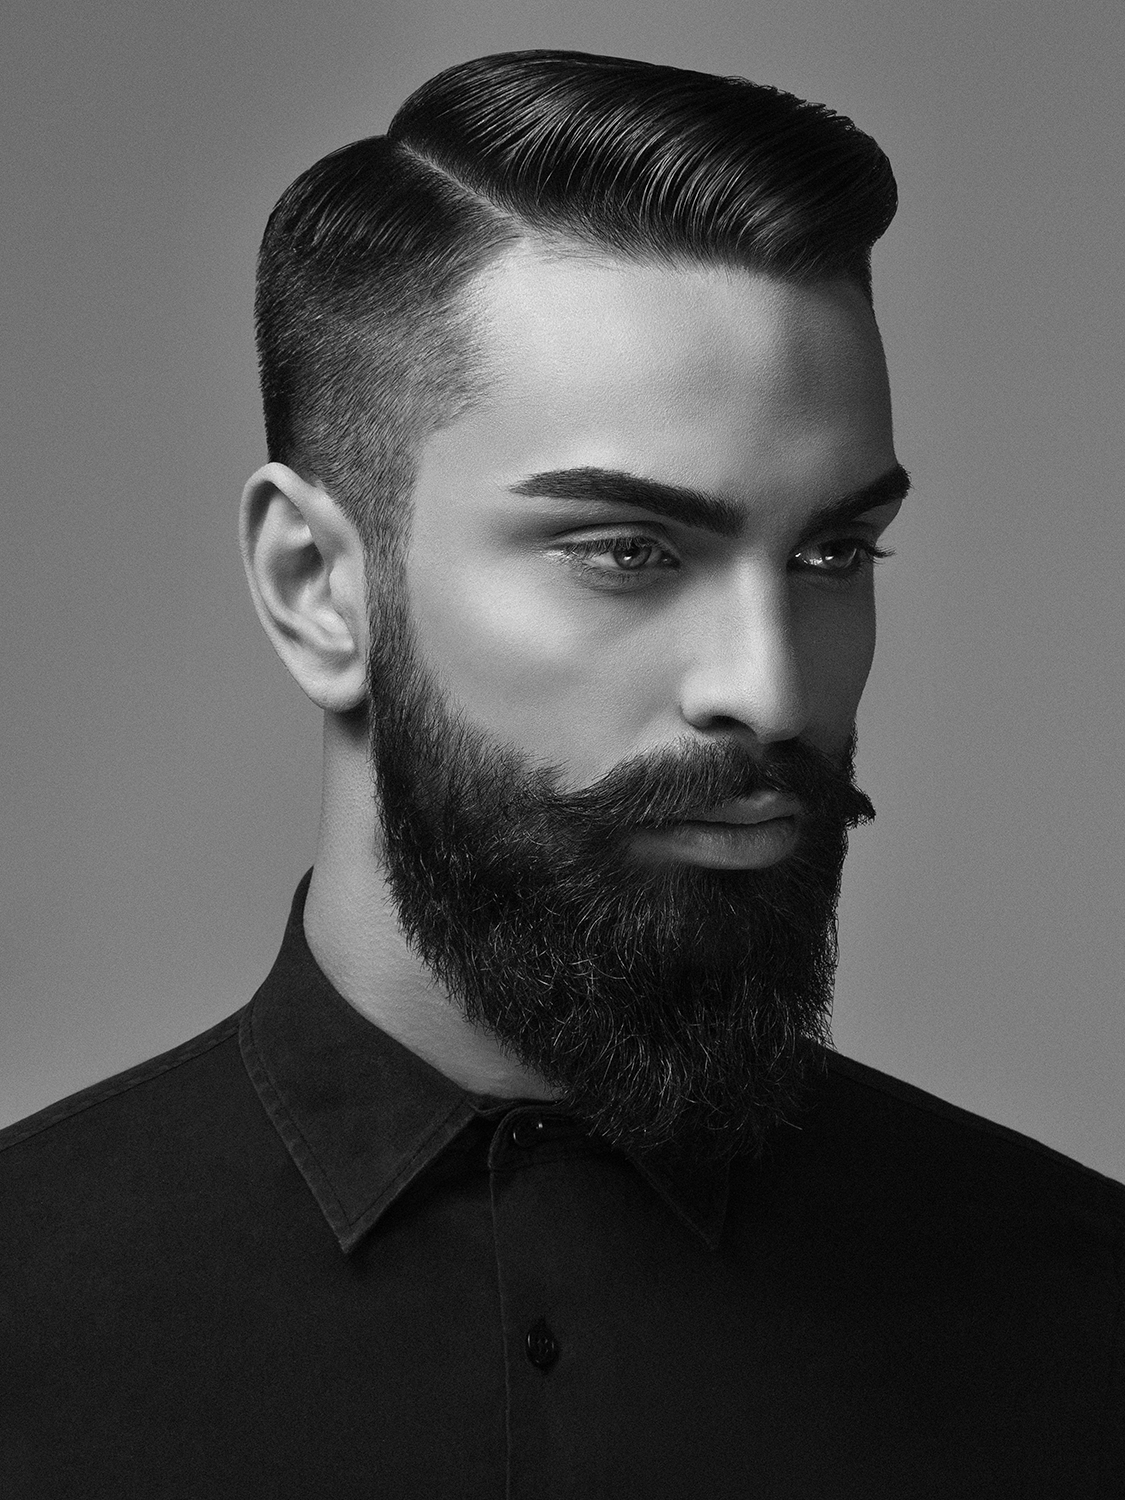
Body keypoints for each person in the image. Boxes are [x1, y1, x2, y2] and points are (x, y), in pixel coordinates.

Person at [1, 49, 1121, 1498]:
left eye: (832, 553)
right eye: (626, 553)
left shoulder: (1083, 1318)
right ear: (316, 588)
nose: (771, 689)